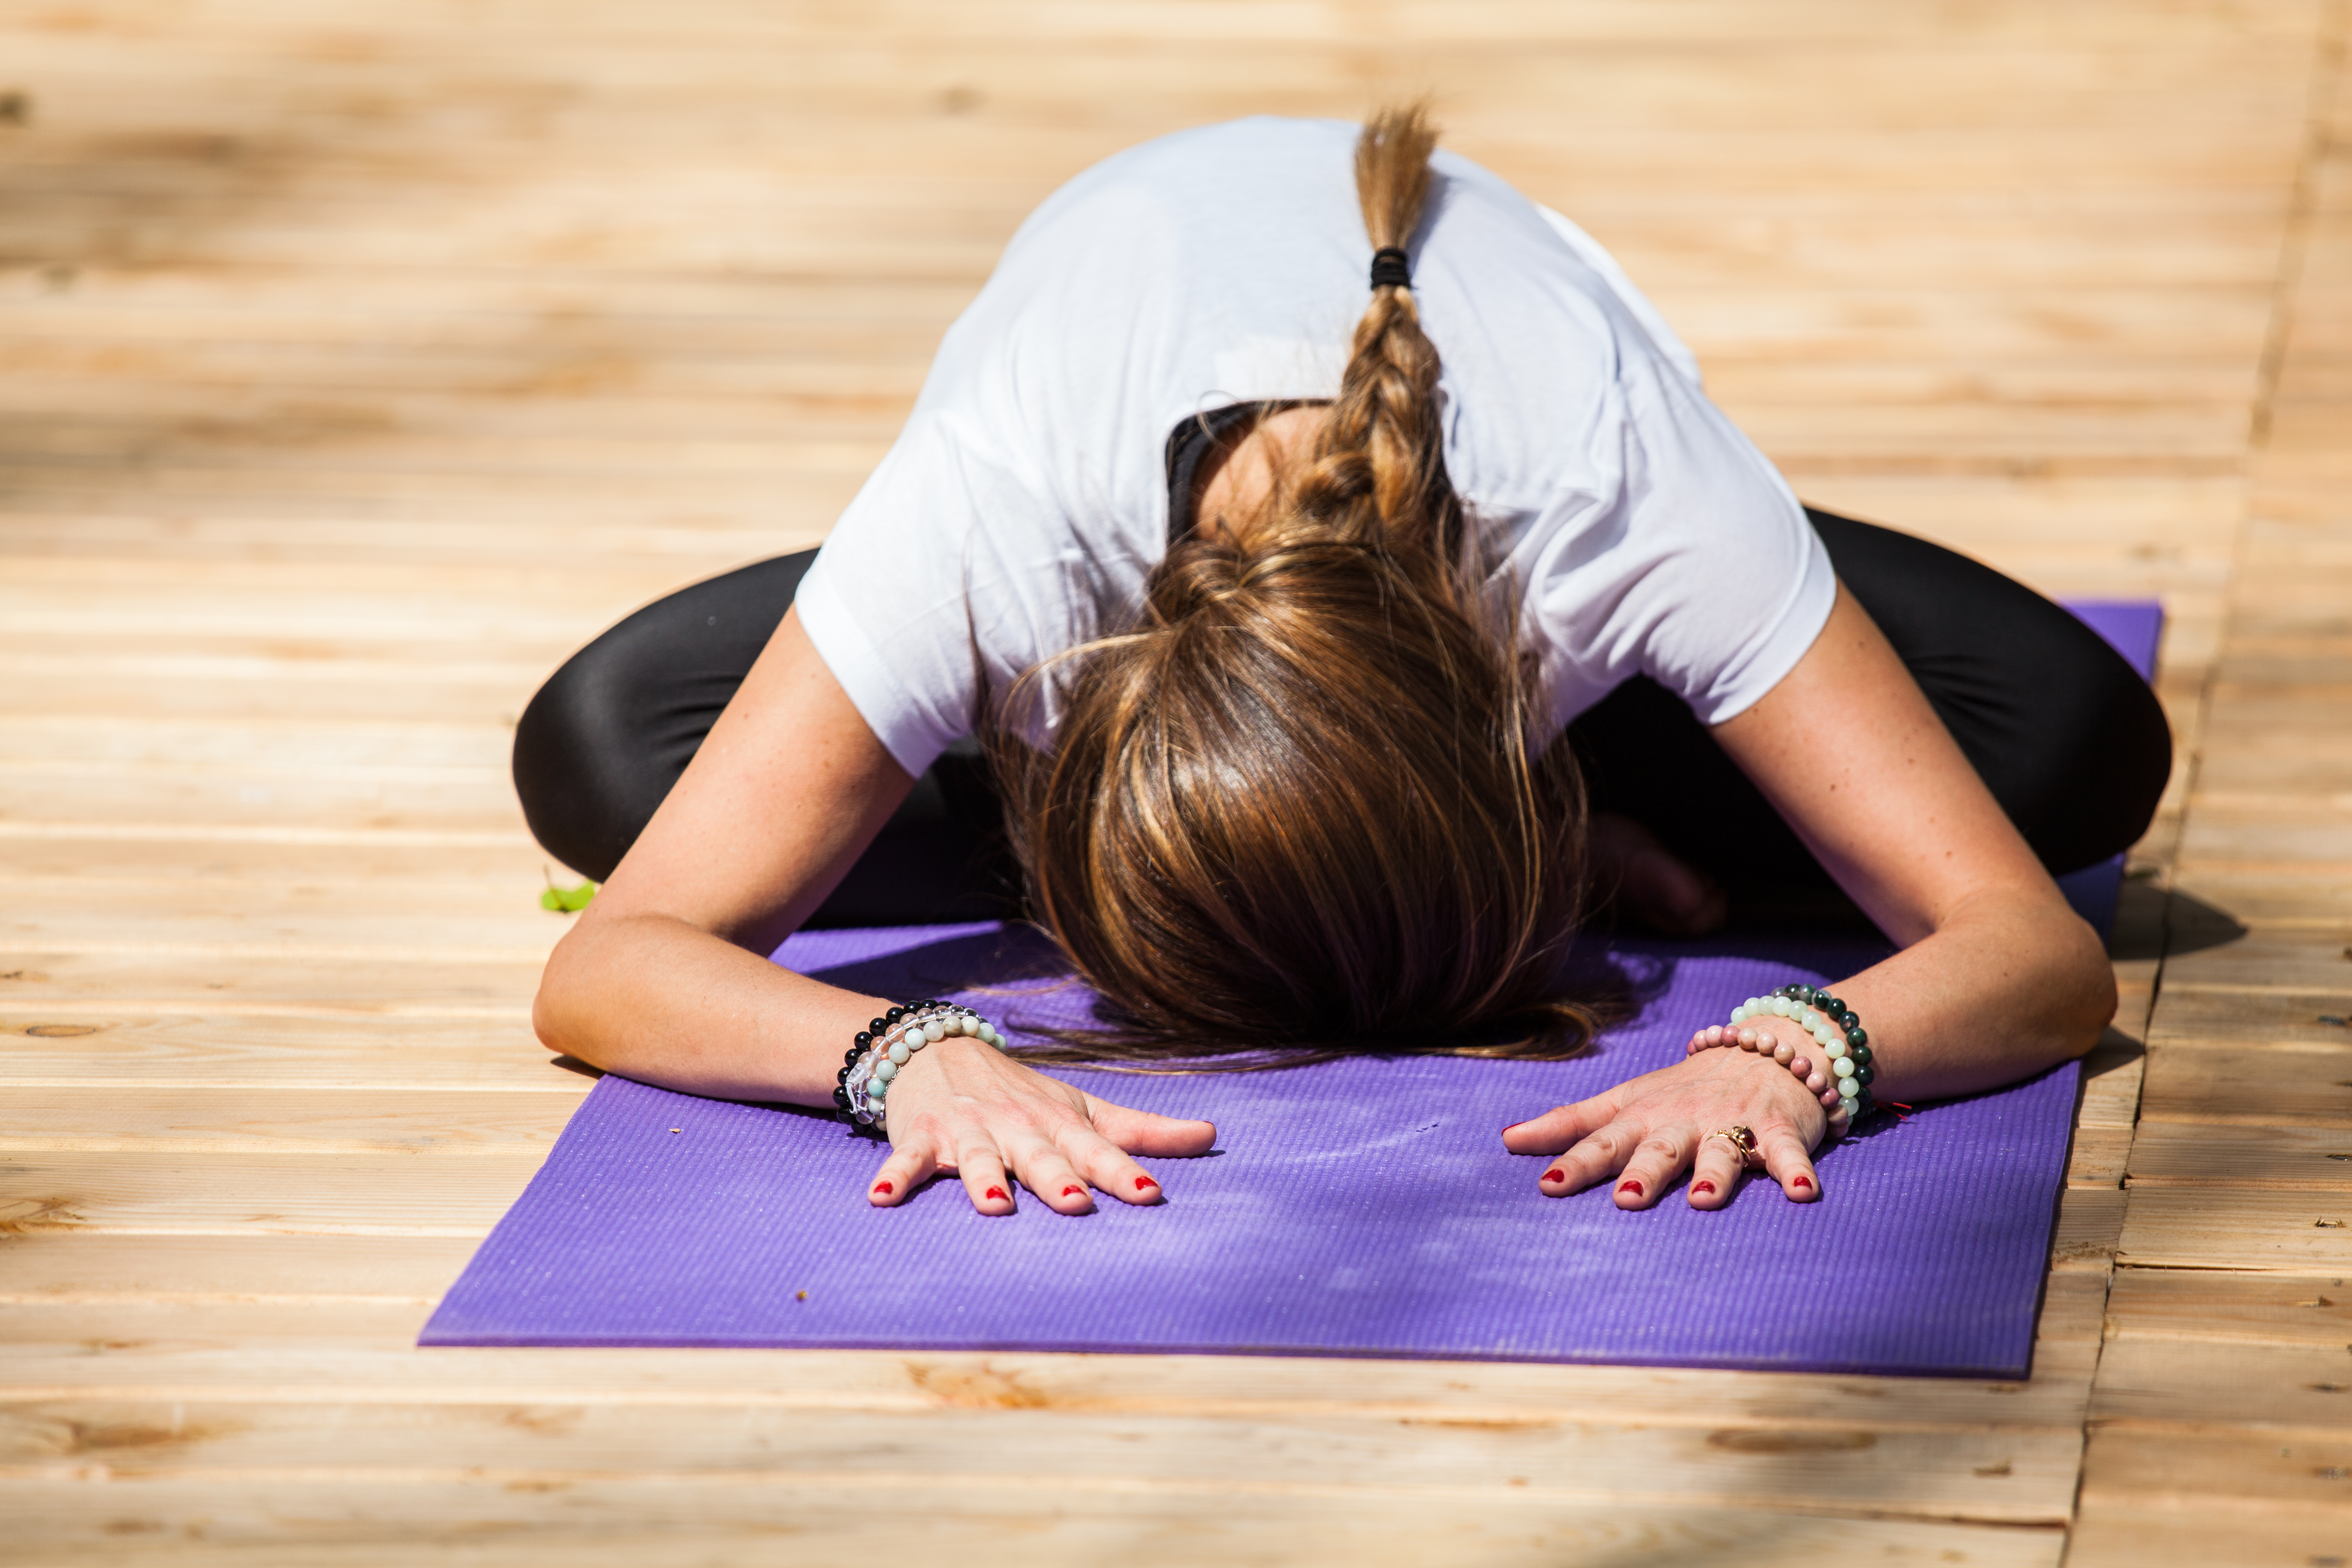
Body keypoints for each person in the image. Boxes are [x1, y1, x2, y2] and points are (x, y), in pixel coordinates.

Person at [518, 108, 2169, 1218]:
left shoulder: (1613, 500)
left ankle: (1552, 805)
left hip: (1542, 531)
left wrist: (1795, 1051)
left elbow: (2034, 949)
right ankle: (1492, 842)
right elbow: (611, 964)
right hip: (1107, 513)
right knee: (609, 751)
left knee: (2068, 746)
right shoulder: (998, 522)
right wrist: (902, 1056)